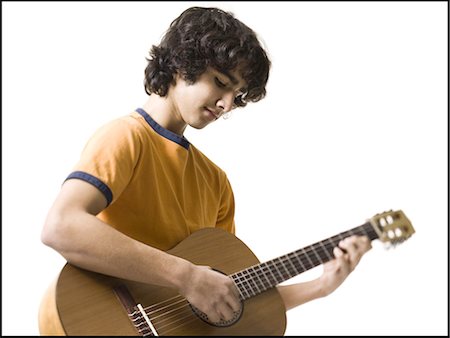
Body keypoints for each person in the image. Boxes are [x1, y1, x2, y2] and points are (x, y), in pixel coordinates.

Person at [41, 6, 371, 331]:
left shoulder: (216, 183)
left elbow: (227, 296)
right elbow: (61, 226)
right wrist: (186, 276)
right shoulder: (126, 137)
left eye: (236, 94)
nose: (227, 104)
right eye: (220, 82)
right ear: (181, 65)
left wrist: (322, 285)